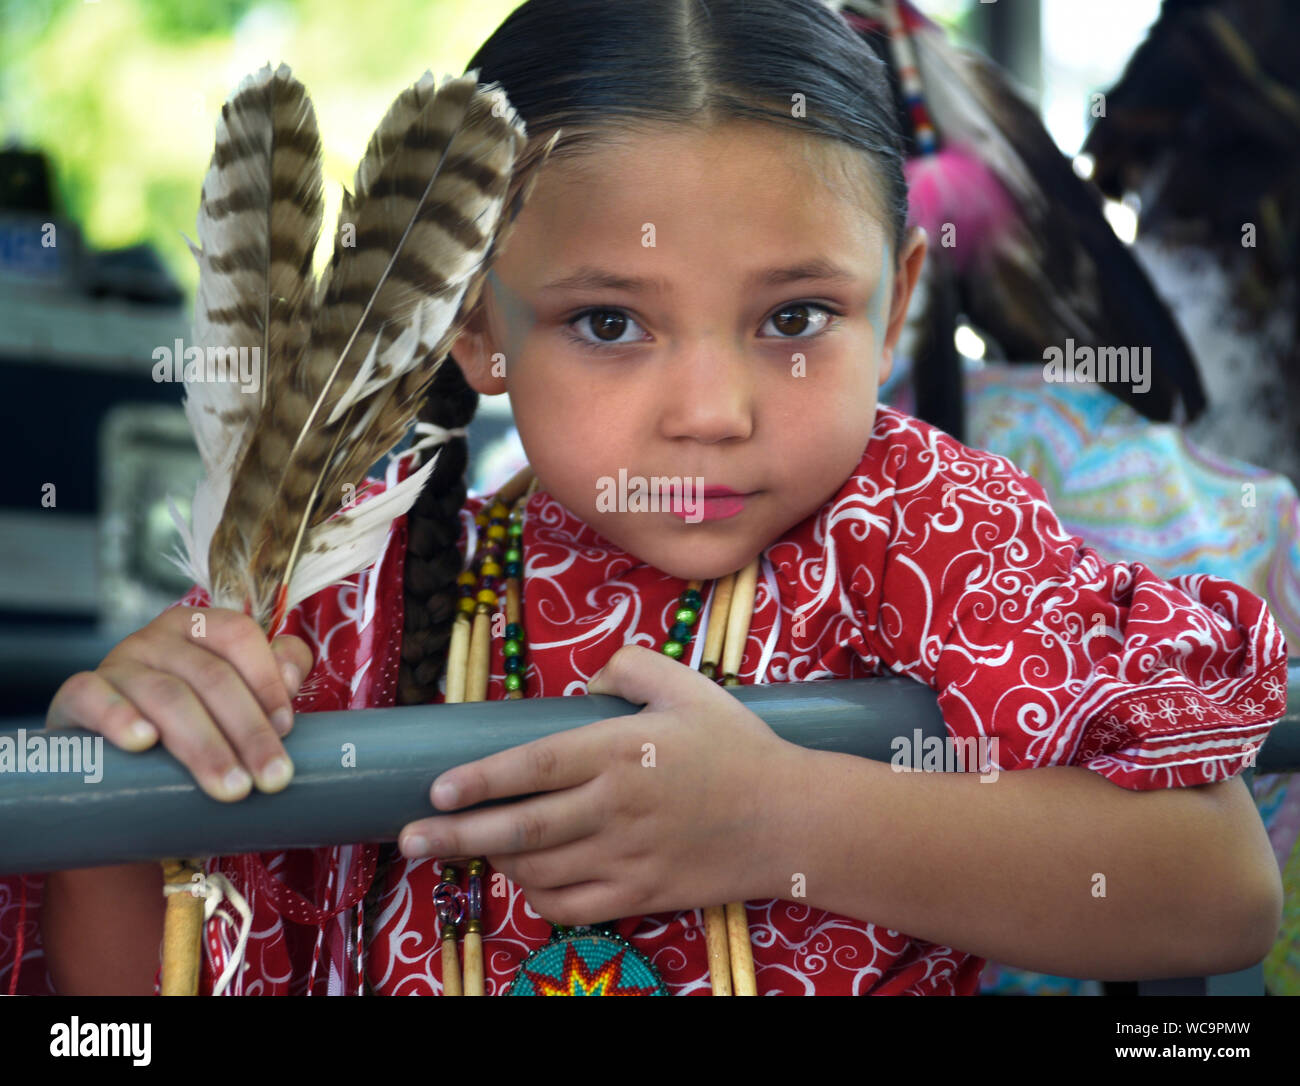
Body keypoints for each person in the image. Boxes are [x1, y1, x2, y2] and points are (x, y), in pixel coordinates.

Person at [6, 0, 1287, 996]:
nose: (713, 409)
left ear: (895, 303)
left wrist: (783, 819)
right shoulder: (354, 596)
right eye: (609, 321)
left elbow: (1214, 885)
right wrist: (125, 800)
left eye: (796, 316)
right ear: (477, 332)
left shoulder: (928, 533)